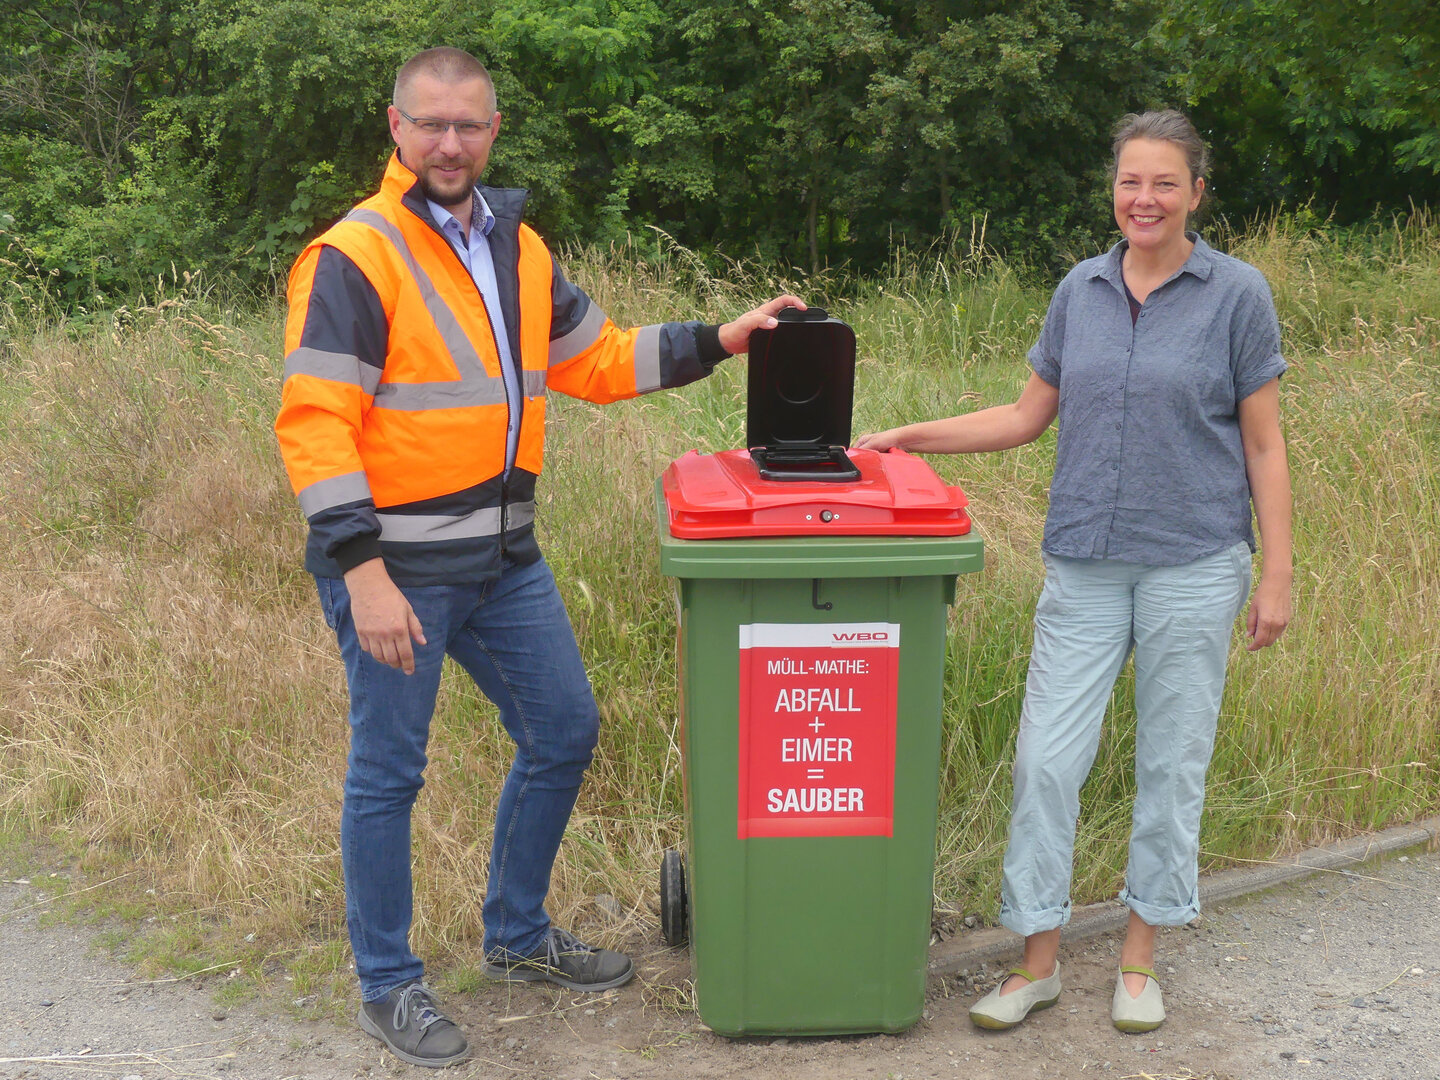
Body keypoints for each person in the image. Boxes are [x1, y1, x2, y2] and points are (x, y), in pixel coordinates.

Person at [274, 46, 803, 1069]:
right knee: (388, 775)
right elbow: (314, 426)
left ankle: (516, 938)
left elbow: (596, 361)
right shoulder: (355, 255)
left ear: (494, 130)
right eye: (429, 123)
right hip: (400, 574)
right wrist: (362, 573)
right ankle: (388, 986)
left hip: (506, 562)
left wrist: (720, 340)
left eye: (468, 124)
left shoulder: (516, 247)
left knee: (563, 729)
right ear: (396, 128)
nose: (449, 142)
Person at [856, 110, 1292, 1034]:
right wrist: (908, 435)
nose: (1146, 198)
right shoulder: (1079, 290)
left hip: (1195, 564)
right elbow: (1023, 416)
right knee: (1047, 762)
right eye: (1132, 181)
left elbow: (1264, 445)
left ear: (1197, 193)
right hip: (1085, 563)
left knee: (1172, 765)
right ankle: (1036, 962)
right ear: (1115, 189)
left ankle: (1139, 960)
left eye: (1165, 182)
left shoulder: (1238, 294)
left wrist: (1276, 574)